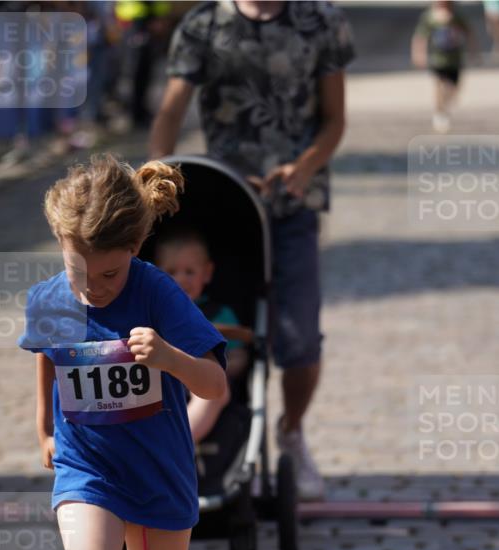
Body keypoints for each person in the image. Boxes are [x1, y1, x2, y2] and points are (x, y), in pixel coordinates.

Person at [18, 153, 227, 550]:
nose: (93, 287)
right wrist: (46, 430)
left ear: (135, 249)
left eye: (108, 273)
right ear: (61, 247)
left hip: (160, 474)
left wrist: (167, 358)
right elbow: (51, 361)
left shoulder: (157, 291)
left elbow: (215, 383)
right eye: (78, 270)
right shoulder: (50, 298)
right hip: (89, 469)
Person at [149, 0, 355, 500]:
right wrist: (153, 180)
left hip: (291, 204)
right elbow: (171, 110)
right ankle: (199, 430)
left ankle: (292, 431)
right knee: (209, 322)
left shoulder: (321, 21)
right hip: (225, 206)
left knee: (299, 337)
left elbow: (334, 121)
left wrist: (304, 169)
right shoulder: (203, 25)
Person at [154, 227, 251, 442]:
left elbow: (239, 355)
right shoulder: (154, 312)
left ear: (206, 273)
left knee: (216, 390)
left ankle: (177, 442)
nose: (180, 280)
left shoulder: (221, 315)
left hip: (206, 383)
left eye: (189, 272)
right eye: (171, 272)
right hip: (164, 382)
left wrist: (226, 366)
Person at [411, 0, 474, 134]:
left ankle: (445, 107)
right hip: (437, 59)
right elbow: (420, 37)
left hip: (455, 59)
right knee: (439, 85)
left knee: (454, 89)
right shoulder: (429, 17)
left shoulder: (457, 16)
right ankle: (440, 113)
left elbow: (468, 33)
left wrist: (474, 51)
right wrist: (419, 54)